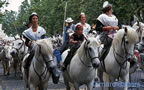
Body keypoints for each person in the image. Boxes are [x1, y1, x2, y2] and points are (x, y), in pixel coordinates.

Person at [23, 12, 59, 84]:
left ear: (38, 20)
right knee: (26, 61)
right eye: (33, 19)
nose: (35, 20)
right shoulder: (27, 32)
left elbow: (44, 39)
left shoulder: (42, 30)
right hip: (32, 50)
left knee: (51, 59)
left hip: (42, 49)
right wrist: (29, 43)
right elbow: (26, 42)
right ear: (31, 20)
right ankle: (27, 77)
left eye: (36, 18)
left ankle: (55, 74)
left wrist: (39, 42)